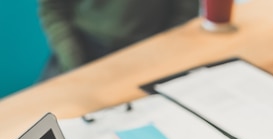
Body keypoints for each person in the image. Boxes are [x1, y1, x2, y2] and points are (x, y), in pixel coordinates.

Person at [37, 0, 198, 79]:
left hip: (148, 53)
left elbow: (184, 13)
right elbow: (53, 10)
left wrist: (159, 56)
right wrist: (74, 65)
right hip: (82, 50)